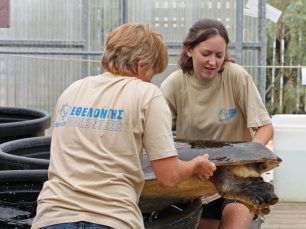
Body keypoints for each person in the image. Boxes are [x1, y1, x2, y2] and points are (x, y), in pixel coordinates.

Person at [31, 23, 216, 229]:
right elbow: (169, 175)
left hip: (53, 217)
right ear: (141, 66)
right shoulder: (147, 94)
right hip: (113, 218)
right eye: (152, 73)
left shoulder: (72, 91)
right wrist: (196, 165)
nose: (150, 80)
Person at [160, 18, 274, 229]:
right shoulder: (175, 84)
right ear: (189, 50)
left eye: (219, 55)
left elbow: (265, 127)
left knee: (233, 221)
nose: (213, 61)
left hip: (236, 176)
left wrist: (248, 158)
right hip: (195, 179)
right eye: (206, 54)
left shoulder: (235, 76)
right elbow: (154, 131)